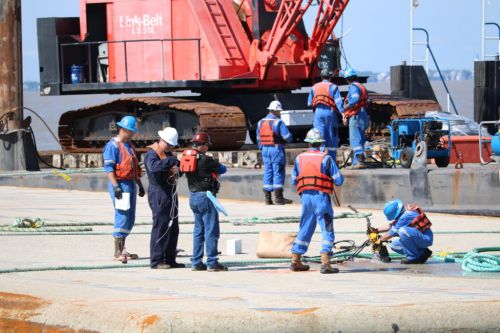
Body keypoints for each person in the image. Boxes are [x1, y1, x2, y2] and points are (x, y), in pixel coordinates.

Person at [290, 128, 344, 274]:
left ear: (308, 144)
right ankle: (325, 262)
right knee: (326, 227)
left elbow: (293, 181)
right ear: (321, 143)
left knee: (305, 226)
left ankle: (296, 259)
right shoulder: (326, 158)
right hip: (321, 198)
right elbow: (339, 180)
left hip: (305, 197)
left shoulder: (299, 158)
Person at [180, 131, 228, 272]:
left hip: (193, 196)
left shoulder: (187, 158)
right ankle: (212, 262)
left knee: (198, 230)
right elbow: (223, 169)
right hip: (206, 197)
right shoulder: (206, 160)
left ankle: (196, 262)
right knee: (211, 230)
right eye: (207, 145)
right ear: (202, 145)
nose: (207, 147)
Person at [103, 115, 145, 261]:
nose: (133, 134)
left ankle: (123, 249)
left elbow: (134, 167)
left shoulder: (129, 145)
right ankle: (117, 252)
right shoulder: (113, 145)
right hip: (120, 185)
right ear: (123, 129)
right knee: (122, 215)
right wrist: (115, 186)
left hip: (131, 184)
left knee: (130, 217)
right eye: (131, 131)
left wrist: (140, 185)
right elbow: (109, 168)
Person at [145, 127, 185, 269]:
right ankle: (156, 260)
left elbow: (179, 172)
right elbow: (155, 168)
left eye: (171, 145)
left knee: (173, 227)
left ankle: (170, 258)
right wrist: (171, 161)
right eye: (168, 144)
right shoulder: (152, 154)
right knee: (161, 226)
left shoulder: (167, 154)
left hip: (170, 191)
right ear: (161, 140)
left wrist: (178, 169)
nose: (169, 147)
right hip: (158, 192)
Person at [372, 199, 433, 264]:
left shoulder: (405, 216)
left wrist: (379, 241)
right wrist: (376, 230)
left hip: (425, 239)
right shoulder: (404, 213)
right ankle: (423, 252)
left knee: (403, 231)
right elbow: (391, 226)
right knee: (394, 245)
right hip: (418, 238)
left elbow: (391, 233)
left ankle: (412, 258)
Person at [256, 100, 293, 205]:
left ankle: (268, 199)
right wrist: (286, 141)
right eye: (279, 111)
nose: (280, 113)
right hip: (276, 149)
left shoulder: (260, 122)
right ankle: (279, 198)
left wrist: (262, 148)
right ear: (276, 111)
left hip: (265, 150)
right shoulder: (278, 122)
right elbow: (287, 137)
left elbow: (258, 138)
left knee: (268, 171)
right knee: (278, 171)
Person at [308, 68, 344, 161]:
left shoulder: (314, 87)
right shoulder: (333, 87)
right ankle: (332, 162)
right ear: (330, 77)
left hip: (318, 114)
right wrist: (343, 114)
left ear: (321, 76)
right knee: (332, 137)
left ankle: (319, 161)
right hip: (330, 113)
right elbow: (339, 102)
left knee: (319, 137)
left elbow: (309, 103)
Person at [342, 68, 369, 168]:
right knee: (360, 139)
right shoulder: (361, 86)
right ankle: (356, 162)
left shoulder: (353, 87)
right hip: (363, 114)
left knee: (355, 138)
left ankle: (359, 161)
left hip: (356, 115)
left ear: (347, 79)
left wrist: (347, 105)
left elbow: (355, 98)